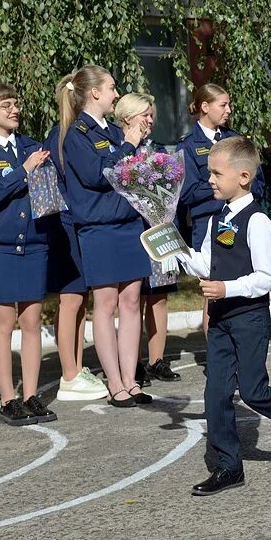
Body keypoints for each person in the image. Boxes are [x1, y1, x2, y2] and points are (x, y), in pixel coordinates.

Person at [176, 136, 271, 495]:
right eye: (208, 172)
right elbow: (206, 263)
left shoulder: (258, 220)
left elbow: (264, 278)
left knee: (254, 391)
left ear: (243, 176)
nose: (210, 180)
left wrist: (225, 288)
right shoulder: (218, 218)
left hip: (248, 317)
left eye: (216, 173)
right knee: (215, 393)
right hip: (221, 318)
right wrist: (177, 249)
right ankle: (229, 466)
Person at [58, 65, 152, 407]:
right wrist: (128, 146)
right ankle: (114, 382)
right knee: (106, 303)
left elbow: (133, 172)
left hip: (128, 224)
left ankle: (130, 379)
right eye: (111, 88)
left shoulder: (112, 131)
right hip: (99, 229)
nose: (116, 94)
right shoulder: (77, 134)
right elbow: (101, 174)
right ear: (94, 92)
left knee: (130, 302)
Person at [0, 83, 58, 425]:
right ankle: (8, 399)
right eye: (5, 105)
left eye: (15, 103)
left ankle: (31, 395)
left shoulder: (32, 146)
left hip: (33, 243)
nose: (14, 109)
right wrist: (24, 170)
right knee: (3, 324)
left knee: (32, 322)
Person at [178, 83, 265, 344]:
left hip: (239, 217)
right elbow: (188, 192)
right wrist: (224, 184)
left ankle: (238, 352)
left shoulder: (235, 140)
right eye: (222, 105)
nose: (229, 110)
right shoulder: (189, 145)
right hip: (208, 222)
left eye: (229, 104)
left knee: (237, 283)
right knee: (213, 289)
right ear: (205, 107)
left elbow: (256, 179)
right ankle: (218, 354)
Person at [112, 92, 181, 385]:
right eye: (145, 115)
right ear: (128, 117)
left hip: (157, 228)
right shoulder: (117, 148)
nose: (151, 121)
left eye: (152, 115)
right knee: (131, 299)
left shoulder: (157, 150)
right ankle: (134, 362)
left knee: (158, 294)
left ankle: (157, 359)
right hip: (129, 231)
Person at [45, 76, 106, 403]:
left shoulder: (75, 134)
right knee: (70, 299)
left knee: (81, 299)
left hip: (78, 222)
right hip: (64, 224)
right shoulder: (61, 136)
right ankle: (68, 372)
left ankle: (77, 367)